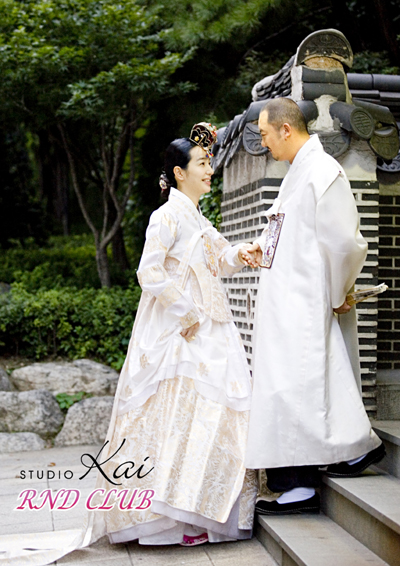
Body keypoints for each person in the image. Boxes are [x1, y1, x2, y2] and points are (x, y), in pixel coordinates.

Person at [78, 123, 258, 546]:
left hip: (211, 327)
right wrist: (186, 311)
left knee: (207, 417)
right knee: (177, 415)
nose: (209, 169)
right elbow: (150, 271)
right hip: (179, 332)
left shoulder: (197, 217)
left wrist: (244, 251)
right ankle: (171, 519)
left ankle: (199, 511)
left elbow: (220, 258)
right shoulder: (166, 216)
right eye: (202, 163)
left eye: (209, 162)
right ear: (179, 172)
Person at [241, 98, 384, 515]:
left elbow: (344, 243)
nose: (263, 143)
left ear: (286, 129)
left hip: (303, 303)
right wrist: (261, 246)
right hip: (287, 301)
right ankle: (355, 449)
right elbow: (285, 229)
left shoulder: (322, 171)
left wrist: (337, 294)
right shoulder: (298, 172)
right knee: (306, 386)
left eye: (265, 134)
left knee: (293, 391)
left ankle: (299, 487)